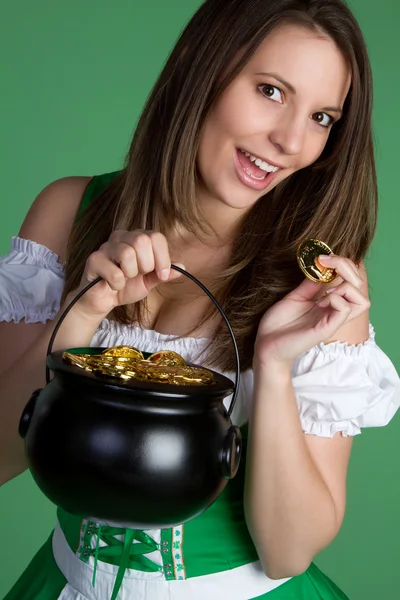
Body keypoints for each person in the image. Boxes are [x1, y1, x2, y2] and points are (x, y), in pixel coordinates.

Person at [1, 0, 399, 598]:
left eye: (321, 117)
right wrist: (82, 314)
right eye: (270, 90)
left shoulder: (315, 283)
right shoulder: (67, 211)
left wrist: (274, 363)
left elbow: (288, 552)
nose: (291, 139)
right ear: (199, 66)